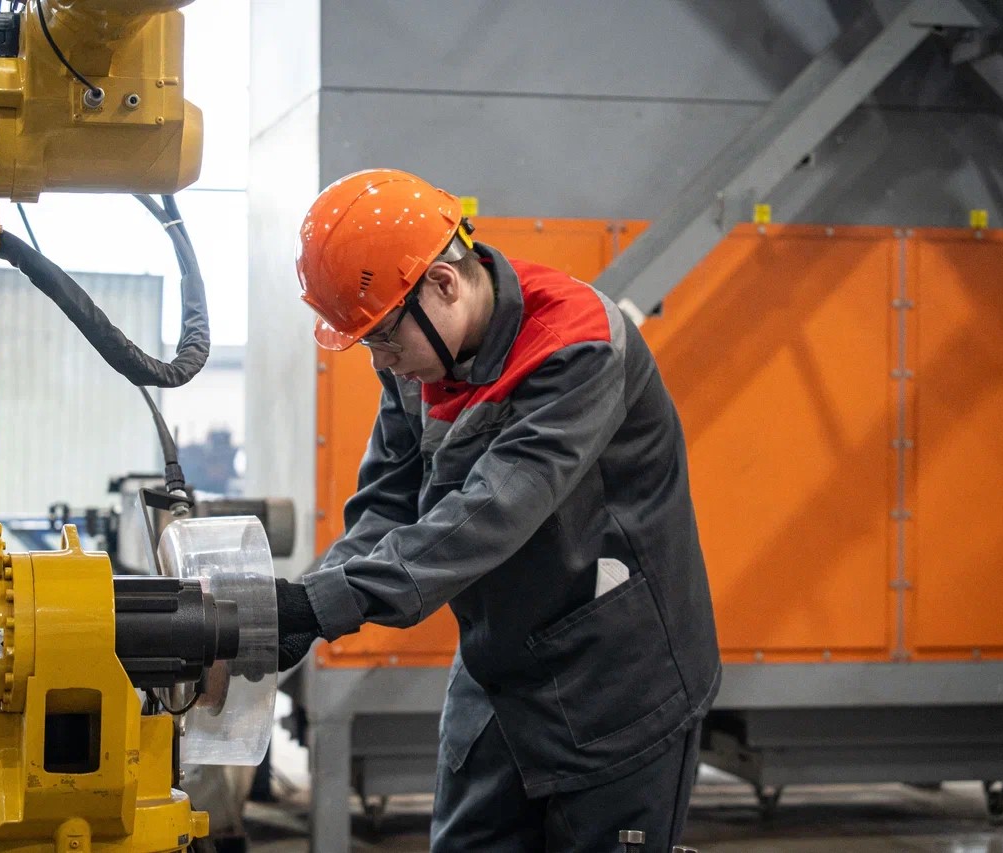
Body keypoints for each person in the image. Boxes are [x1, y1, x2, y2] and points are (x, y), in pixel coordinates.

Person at [274, 168, 720, 852]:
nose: (384, 363)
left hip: (616, 684)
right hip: (499, 672)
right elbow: (388, 506)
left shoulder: (575, 345)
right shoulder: (419, 358)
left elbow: (491, 513)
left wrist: (322, 605)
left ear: (443, 284)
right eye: (368, 345)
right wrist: (296, 609)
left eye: (385, 338)